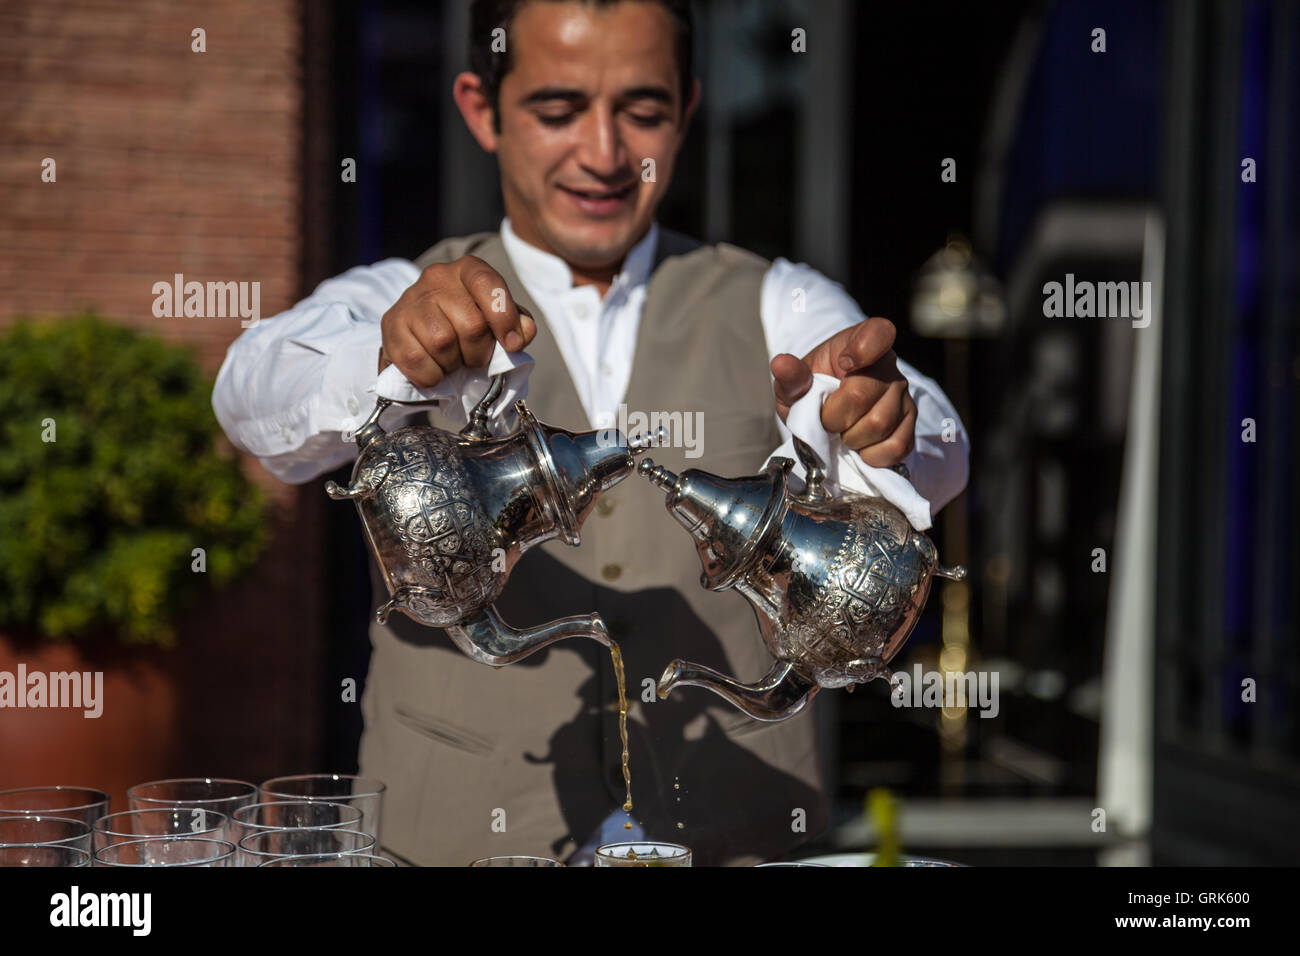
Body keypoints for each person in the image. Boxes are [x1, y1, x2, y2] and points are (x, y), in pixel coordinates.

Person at [212, 0, 969, 866]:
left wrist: (877, 429)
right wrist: (385, 357)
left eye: (641, 112)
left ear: (686, 110)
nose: (606, 154)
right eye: (558, 109)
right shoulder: (400, 290)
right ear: (479, 108)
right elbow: (249, 395)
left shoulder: (776, 301)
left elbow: (937, 442)